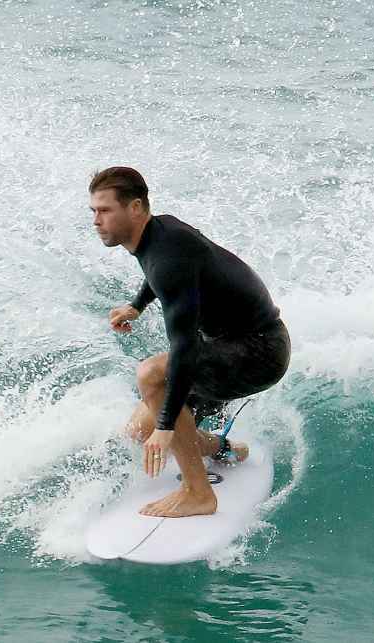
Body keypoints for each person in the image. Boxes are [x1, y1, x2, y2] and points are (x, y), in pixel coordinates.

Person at [89, 166, 290, 518]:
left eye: (105, 211)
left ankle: (198, 494)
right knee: (138, 431)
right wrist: (137, 306)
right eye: (94, 211)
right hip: (226, 346)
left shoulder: (168, 256)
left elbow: (185, 350)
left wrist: (166, 428)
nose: (96, 220)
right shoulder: (158, 234)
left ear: (135, 208)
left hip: (259, 351)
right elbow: (162, 275)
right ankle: (224, 449)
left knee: (152, 375)